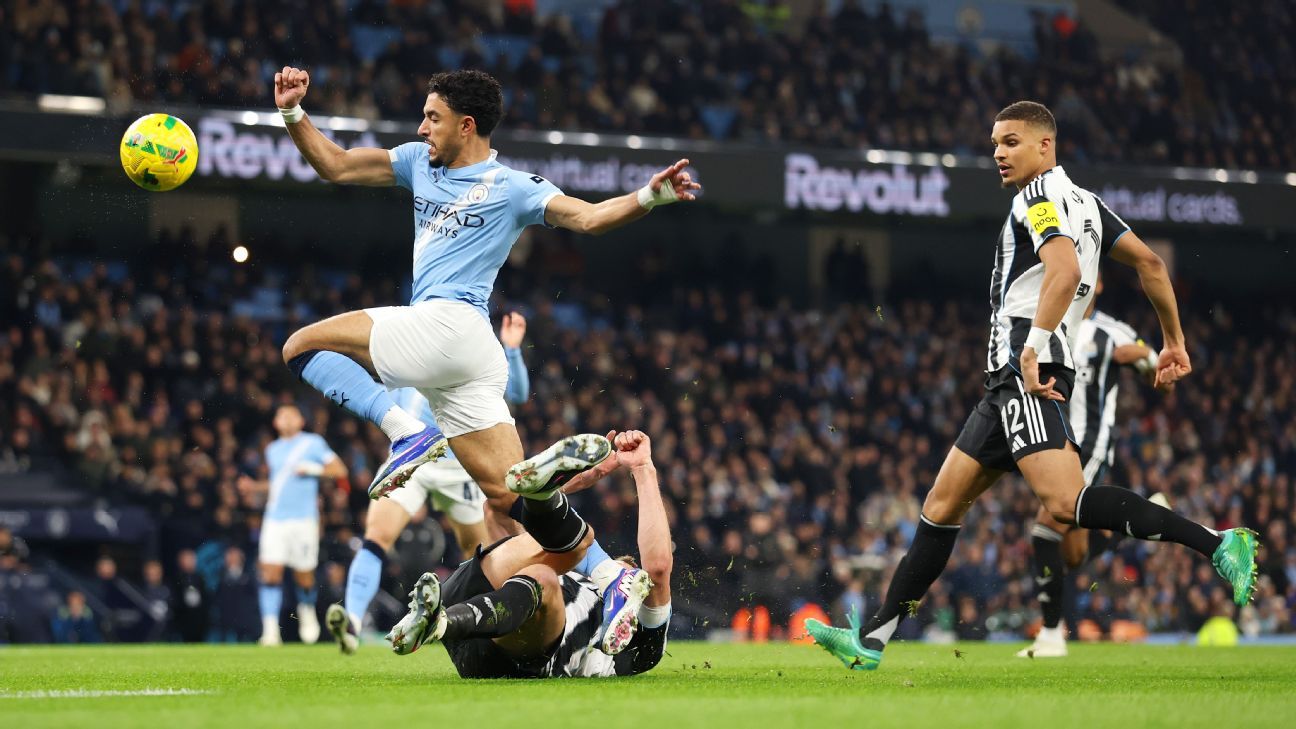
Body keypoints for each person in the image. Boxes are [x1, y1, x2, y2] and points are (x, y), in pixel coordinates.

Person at [807, 100, 1259, 670]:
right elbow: (1152, 265)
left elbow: (1065, 269)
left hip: (1027, 369)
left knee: (1065, 505)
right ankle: (872, 640)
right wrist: (1174, 342)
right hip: (1009, 382)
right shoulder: (1088, 204)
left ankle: (1219, 543)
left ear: (1046, 145)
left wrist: (1031, 346)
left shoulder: (1036, 197)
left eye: (1011, 141)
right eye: (995, 143)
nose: (999, 153)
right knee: (940, 507)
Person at [270, 67, 700, 540]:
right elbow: (336, 165)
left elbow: (589, 217)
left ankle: (404, 431)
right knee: (511, 500)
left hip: (448, 325)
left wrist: (649, 195)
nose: (422, 128)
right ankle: (603, 572)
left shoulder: (512, 186)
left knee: (301, 347)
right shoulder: (417, 162)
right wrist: (292, 112)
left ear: (466, 125)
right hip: (474, 353)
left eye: (433, 118)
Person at [387, 430, 672, 678]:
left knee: (557, 563)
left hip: (518, 652)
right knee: (519, 519)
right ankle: (545, 496)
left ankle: (441, 623)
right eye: (627, 570)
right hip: (473, 598)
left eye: (631, 573)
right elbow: (498, 512)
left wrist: (643, 468)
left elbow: (657, 569)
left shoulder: (639, 645)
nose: (634, 569)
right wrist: (583, 479)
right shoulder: (568, 568)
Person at [327, 312, 528, 653]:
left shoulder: (473, 350)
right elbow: (370, 389)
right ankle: (353, 623)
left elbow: (518, 395)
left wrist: (511, 349)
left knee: (479, 551)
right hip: (414, 458)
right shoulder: (406, 353)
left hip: (459, 463)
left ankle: (489, 628)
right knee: (376, 535)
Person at [1018, 277, 1169, 658]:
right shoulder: (1049, 324)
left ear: (1098, 284)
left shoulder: (1114, 331)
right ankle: (1142, 518)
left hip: (1090, 446)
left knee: (1043, 532)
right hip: (1053, 446)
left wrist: (1144, 354)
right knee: (1071, 556)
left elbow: (1163, 381)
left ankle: (1051, 634)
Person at [238, 404, 347, 645]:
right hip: (275, 518)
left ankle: (306, 612)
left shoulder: (313, 443)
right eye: (281, 415)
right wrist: (254, 488)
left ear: (300, 421)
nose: (286, 419)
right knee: (270, 572)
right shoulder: (272, 449)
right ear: (275, 422)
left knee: (304, 575)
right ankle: (270, 631)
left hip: (304, 519)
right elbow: (278, 483)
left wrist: (313, 469)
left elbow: (340, 470)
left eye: (291, 415)